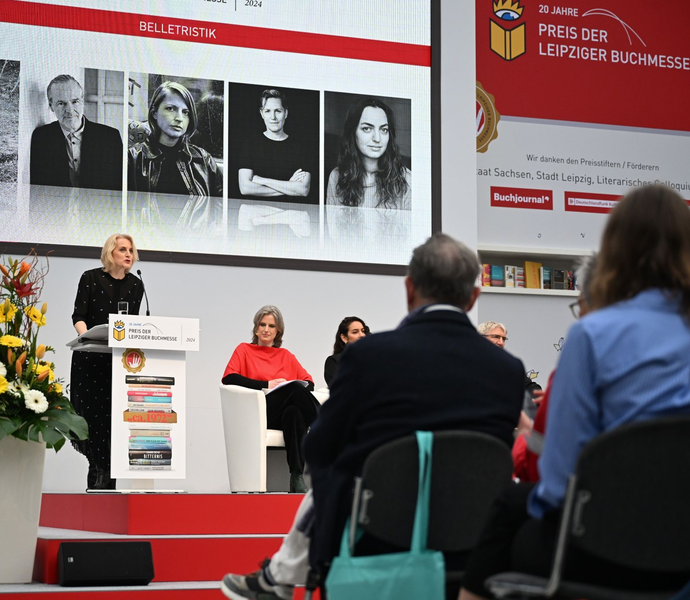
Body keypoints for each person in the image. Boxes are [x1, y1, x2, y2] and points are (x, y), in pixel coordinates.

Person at [221, 234, 525, 600]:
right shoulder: (507, 370)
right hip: (473, 538)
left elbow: (319, 448)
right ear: (473, 297)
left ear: (410, 289)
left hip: (380, 534)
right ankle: (278, 577)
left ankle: (280, 577)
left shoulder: (369, 357)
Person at [459, 185, 690, 600]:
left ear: (615, 249)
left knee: (508, 510)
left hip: (603, 547)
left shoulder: (592, 336)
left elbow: (557, 485)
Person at [512, 255, 598, 483]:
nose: (499, 341)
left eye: (502, 337)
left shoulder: (584, 342)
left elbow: (536, 466)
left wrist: (523, 436)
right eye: (494, 336)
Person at [70, 233, 144, 490]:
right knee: (95, 424)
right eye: (123, 249)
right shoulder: (90, 278)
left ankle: (103, 488)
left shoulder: (136, 285)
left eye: (131, 250)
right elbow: (79, 316)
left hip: (117, 363)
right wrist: (86, 338)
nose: (129, 255)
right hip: (91, 361)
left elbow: (131, 325)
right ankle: (99, 484)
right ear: (110, 252)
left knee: (113, 424)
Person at [221, 306, 318, 494]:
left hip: (282, 413)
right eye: (262, 324)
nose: (266, 329)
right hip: (258, 411)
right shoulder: (244, 350)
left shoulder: (286, 355)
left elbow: (309, 383)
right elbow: (229, 378)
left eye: (271, 326)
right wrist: (267, 384)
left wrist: (287, 386)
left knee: (294, 413)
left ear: (278, 331)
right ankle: (326, 426)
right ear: (256, 328)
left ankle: (297, 477)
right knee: (295, 390)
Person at [128, 81, 223, 198]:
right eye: (170, 109)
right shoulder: (132, 159)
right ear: (154, 113)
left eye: (185, 112)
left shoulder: (204, 160)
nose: (179, 118)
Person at [30, 74, 123, 190]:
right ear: (51, 106)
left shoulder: (110, 138)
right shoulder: (41, 138)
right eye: (61, 103)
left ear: (82, 101)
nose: (69, 110)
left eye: (75, 102)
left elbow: (119, 188)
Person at [326, 97, 411, 210]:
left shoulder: (407, 179)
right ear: (353, 132)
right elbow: (332, 227)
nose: (377, 138)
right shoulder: (337, 177)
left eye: (384, 130)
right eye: (367, 129)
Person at [236, 89, 313, 202]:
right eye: (267, 111)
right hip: (257, 216)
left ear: (286, 113)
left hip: (290, 214)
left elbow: (303, 189)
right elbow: (245, 188)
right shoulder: (250, 144)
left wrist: (262, 180)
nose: (273, 117)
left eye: (278, 111)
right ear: (262, 114)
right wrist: (289, 185)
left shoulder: (301, 148)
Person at [478, 321, 542, 422]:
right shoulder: (470, 363)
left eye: (503, 339)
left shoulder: (509, 365)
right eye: (496, 337)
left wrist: (536, 397)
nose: (501, 342)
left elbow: (530, 386)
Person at [323, 316, 370, 387]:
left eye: (363, 331)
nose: (361, 335)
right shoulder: (334, 361)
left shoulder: (374, 359)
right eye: (355, 332)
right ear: (344, 338)